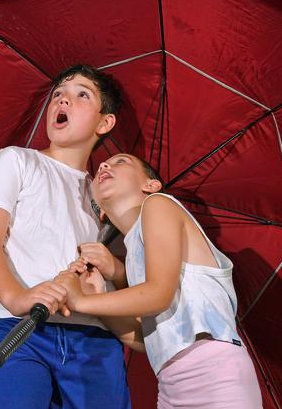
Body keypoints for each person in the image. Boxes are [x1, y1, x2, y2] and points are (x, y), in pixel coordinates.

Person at [0, 64, 130, 408]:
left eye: (81, 94)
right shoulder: (16, 161)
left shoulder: (107, 196)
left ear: (105, 123)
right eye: (58, 93)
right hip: (19, 329)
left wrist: (110, 269)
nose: (64, 99)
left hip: (94, 339)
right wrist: (15, 297)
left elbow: (126, 278)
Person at [56, 153, 263, 408]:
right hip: (169, 386)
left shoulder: (159, 204)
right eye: (105, 164)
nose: (104, 165)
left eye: (121, 161)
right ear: (101, 213)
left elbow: (157, 294)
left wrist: (80, 301)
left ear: (151, 185)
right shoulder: (133, 253)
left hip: (214, 373)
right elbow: (143, 340)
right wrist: (99, 294)